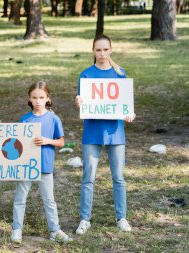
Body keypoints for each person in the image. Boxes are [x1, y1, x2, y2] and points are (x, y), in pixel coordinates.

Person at [75, 34, 136, 235]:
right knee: (88, 178)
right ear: (93, 51)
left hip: (116, 133)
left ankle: (121, 217)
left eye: (105, 49)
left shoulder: (120, 74)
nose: (102, 53)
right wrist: (79, 104)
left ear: (111, 50)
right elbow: (84, 107)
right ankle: (85, 219)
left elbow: (126, 105)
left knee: (118, 177)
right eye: (98, 50)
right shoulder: (86, 76)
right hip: (92, 132)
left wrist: (130, 113)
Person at [11, 81, 73, 244]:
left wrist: (47, 140)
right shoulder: (25, 119)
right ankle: (17, 229)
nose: (38, 101)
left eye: (41, 97)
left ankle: (55, 230)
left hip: (45, 166)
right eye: (34, 97)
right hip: (26, 166)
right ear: (29, 99)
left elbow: (61, 142)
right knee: (20, 198)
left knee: (49, 199)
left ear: (47, 98)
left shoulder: (53, 119)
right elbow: (17, 143)